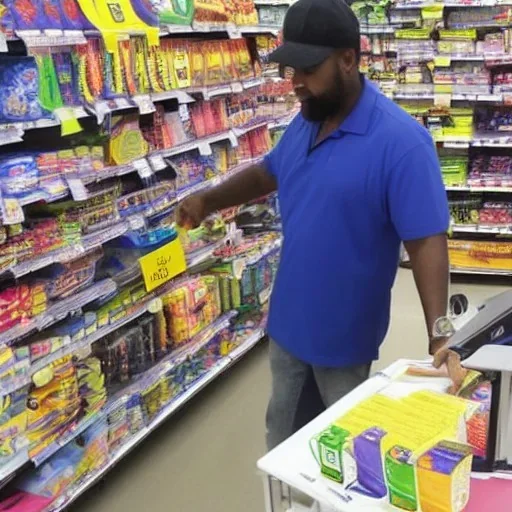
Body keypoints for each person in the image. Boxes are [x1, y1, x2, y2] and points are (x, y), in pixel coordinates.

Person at [177, 0, 450, 450]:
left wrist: (439, 334)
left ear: (347, 58)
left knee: (344, 452)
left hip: (343, 336)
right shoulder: (307, 122)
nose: (295, 83)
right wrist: (209, 200)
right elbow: (270, 171)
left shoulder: (402, 142)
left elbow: (425, 242)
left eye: (307, 68)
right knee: (282, 438)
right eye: (289, 68)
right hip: (287, 323)